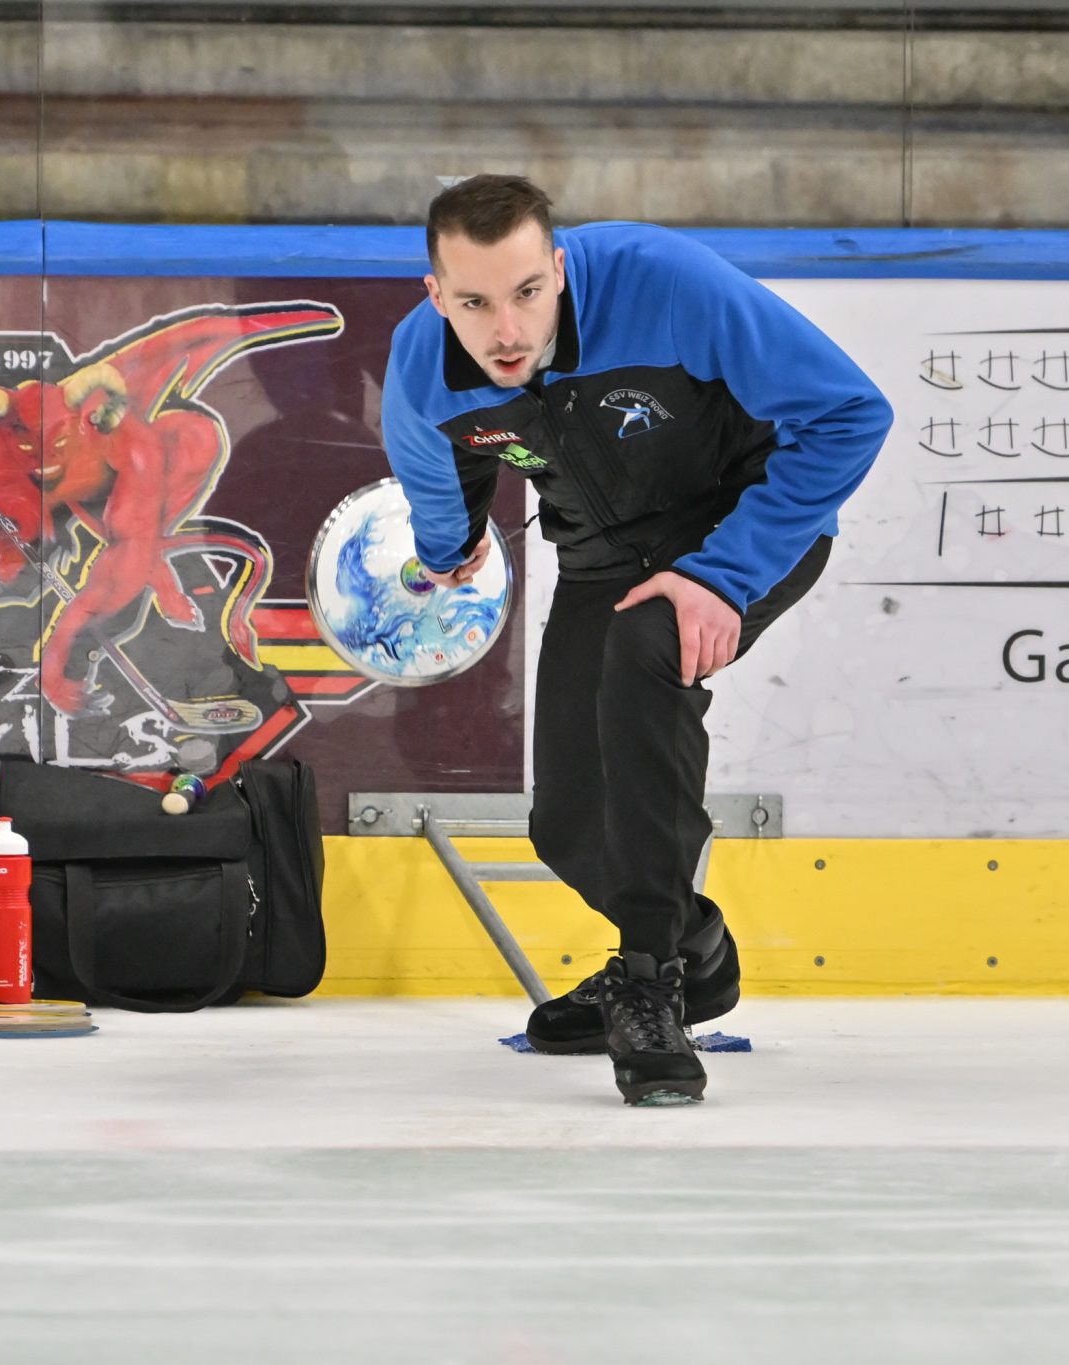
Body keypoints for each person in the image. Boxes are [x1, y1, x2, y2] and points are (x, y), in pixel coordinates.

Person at [379, 174, 892, 1105]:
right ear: (434, 294)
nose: (508, 330)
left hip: (746, 529)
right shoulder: (422, 377)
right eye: (475, 302)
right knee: (568, 824)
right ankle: (697, 950)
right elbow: (442, 507)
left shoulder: (662, 281)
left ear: (560, 270)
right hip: (605, 562)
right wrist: (445, 555)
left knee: (649, 651)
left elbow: (851, 413)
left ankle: (650, 984)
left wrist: (720, 575)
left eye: (529, 292)